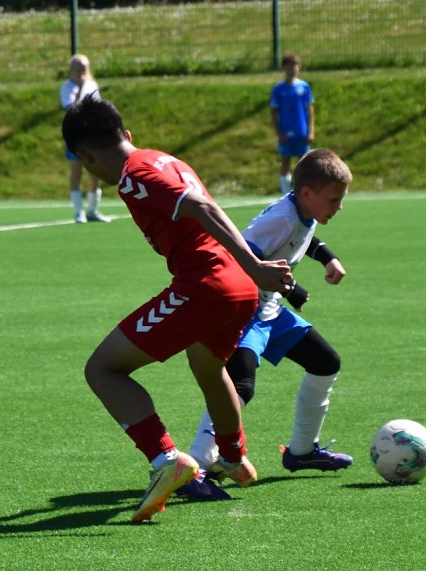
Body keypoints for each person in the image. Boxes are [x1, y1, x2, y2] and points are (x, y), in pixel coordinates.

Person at [61, 97, 293, 522]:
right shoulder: (161, 158)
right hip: (236, 289)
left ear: (87, 158)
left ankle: (165, 459)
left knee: (103, 369)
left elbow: (201, 208)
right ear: (127, 136)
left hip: (208, 285)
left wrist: (255, 265)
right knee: (208, 368)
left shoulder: (134, 176)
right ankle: (233, 457)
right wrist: (249, 272)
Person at [179, 148, 353, 501]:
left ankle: (302, 451)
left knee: (325, 363)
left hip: (269, 311)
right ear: (308, 193)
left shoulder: (303, 211)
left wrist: (327, 258)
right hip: (244, 311)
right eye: (334, 200)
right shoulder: (282, 217)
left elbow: (307, 236)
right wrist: (291, 288)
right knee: (240, 388)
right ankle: (195, 467)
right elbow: (239, 254)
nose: (339, 207)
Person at [60, 54, 110, 223]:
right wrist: (80, 89)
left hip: (92, 136)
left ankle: (93, 211)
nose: (80, 72)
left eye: (83, 68)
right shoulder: (66, 87)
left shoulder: (92, 85)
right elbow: (71, 108)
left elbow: (97, 108)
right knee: (76, 172)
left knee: (95, 172)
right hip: (76, 136)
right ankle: (78, 212)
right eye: (77, 68)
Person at [270, 53, 315, 195]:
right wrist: (278, 131)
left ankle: (302, 192)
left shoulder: (304, 87)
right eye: (289, 66)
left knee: (304, 163)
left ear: (299, 67)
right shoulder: (278, 89)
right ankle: (286, 193)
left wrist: (311, 130)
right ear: (284, 68)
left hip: (302, 131)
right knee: (285, 162)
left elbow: (310, 110)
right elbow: (274, 111)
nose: (292, 69)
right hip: (286, 132)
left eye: (295, 66)